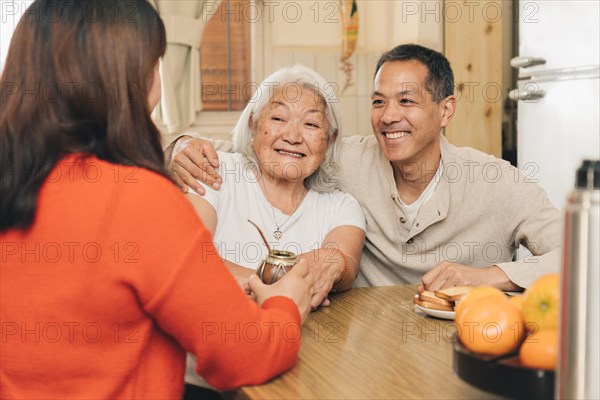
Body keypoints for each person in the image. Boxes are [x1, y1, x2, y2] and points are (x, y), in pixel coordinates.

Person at [0, 1, 313, 398]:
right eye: (156, 65)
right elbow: (245, 354)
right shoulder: (138, 200)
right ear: (129, 79)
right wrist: (286, 304)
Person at [166, 44, 561, 292]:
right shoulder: (346, 157)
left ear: (446, 110)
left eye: (406, 101)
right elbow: (264, 149)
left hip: (463, 343)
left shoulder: (496, 181)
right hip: (364, 342)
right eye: (378, 102)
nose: (389, 116)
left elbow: (584, 255)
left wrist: (491, 275)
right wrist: (180, 145)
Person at [181, 64, 366, 396]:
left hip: (298, 379)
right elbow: (190, 257)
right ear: (253, 125)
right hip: (201, 381)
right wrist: (286, 289)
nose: (293, 136)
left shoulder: (341, 206)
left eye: (311, 124)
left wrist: (332, 264)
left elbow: (344, 260)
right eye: (278, 119)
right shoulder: (216, 172)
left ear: (330, 140)